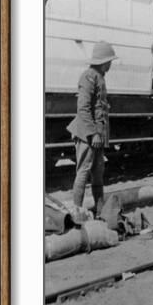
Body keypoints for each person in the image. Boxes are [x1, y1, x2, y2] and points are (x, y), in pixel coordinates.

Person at [66, 41, 118, 218]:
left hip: (97, 135)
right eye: (110, 61)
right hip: (88, 135)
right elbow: (83, 108)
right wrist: (94, 133)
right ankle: (76, 212)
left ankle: (100, 211)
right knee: (83, 171)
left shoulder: (98, 76)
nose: (111, 64)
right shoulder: (89, 76)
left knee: (98, 173)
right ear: (104, 61)